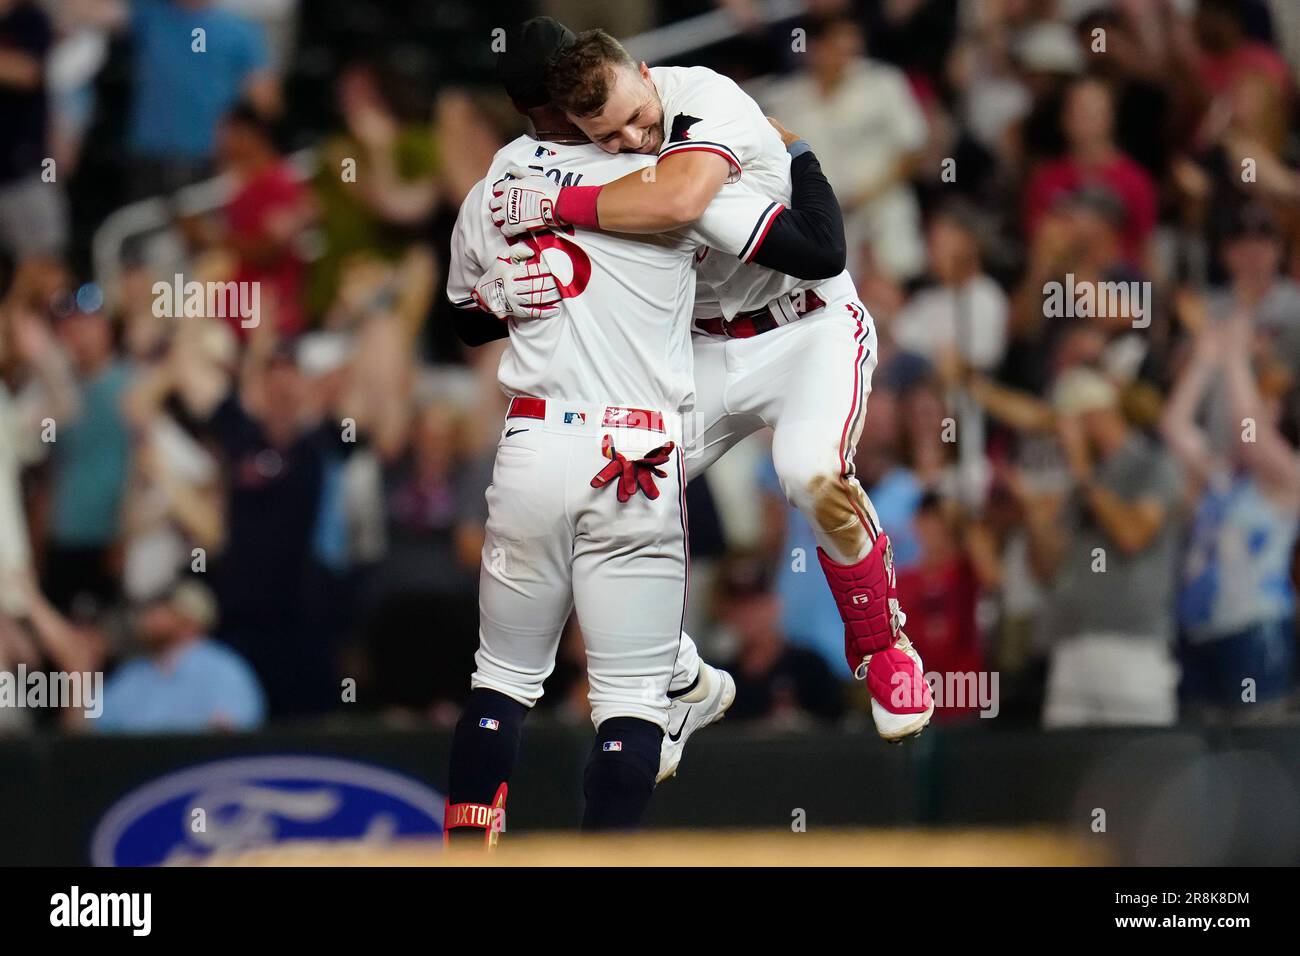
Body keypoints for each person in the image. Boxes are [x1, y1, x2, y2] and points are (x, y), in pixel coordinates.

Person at [443, 16, 850, 843]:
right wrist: (799, 153)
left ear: (523, 106)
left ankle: (464, 854)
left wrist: (495, 301)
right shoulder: (664, 177)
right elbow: (818, 252)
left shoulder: (500, 181)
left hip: (532, 445)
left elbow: (462, 315)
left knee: (500, 684)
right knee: (629, 703)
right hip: (636, 452)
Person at [498, 26, 934, 744]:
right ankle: (681, 681)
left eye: (638, 116)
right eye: (606, 134)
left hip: (805, 322)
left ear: (644, 72)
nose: (635, 138)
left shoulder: (699, 98)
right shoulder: (574, 162)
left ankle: (884, 648)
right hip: (705, 347)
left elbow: (686, 199)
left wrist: (561, 205)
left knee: (810, 472)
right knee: (592, 501)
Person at [1026, 367, 1185, 727]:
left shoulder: (1153, 464)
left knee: (1141, 771)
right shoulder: (1082, 483)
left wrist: (1083, 473)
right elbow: (1047, 571)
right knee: (1071, 777)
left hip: (1132, 644)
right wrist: (1035, 521)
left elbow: (1132, 536)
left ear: (1096, 416)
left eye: (1073, 424)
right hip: (1070, 644)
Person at [1162, 310, 1298, 720]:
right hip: (1200, 633)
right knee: (1197, 755)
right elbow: (1173, 426)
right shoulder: (1222, 478)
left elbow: (1248, 431)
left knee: (1257, 750)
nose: (1256, 416)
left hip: (1254, 628)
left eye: (1266, 410)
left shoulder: (1290, 477)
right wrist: (1207, 358)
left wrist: (1236, 356)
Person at [97, 580, 266, 732]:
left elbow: (234, 734)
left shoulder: (224, 670)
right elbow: (88, 728)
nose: (148, 616)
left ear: (188, 619)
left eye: (161, 608)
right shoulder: (133, 673)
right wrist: (82, 669)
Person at [716, 552, 844, 726]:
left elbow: (837, 732)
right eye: (740, 606)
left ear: (774, 604)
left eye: (757, 603)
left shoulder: (809, 667)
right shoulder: (721, 680)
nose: (748, 614)